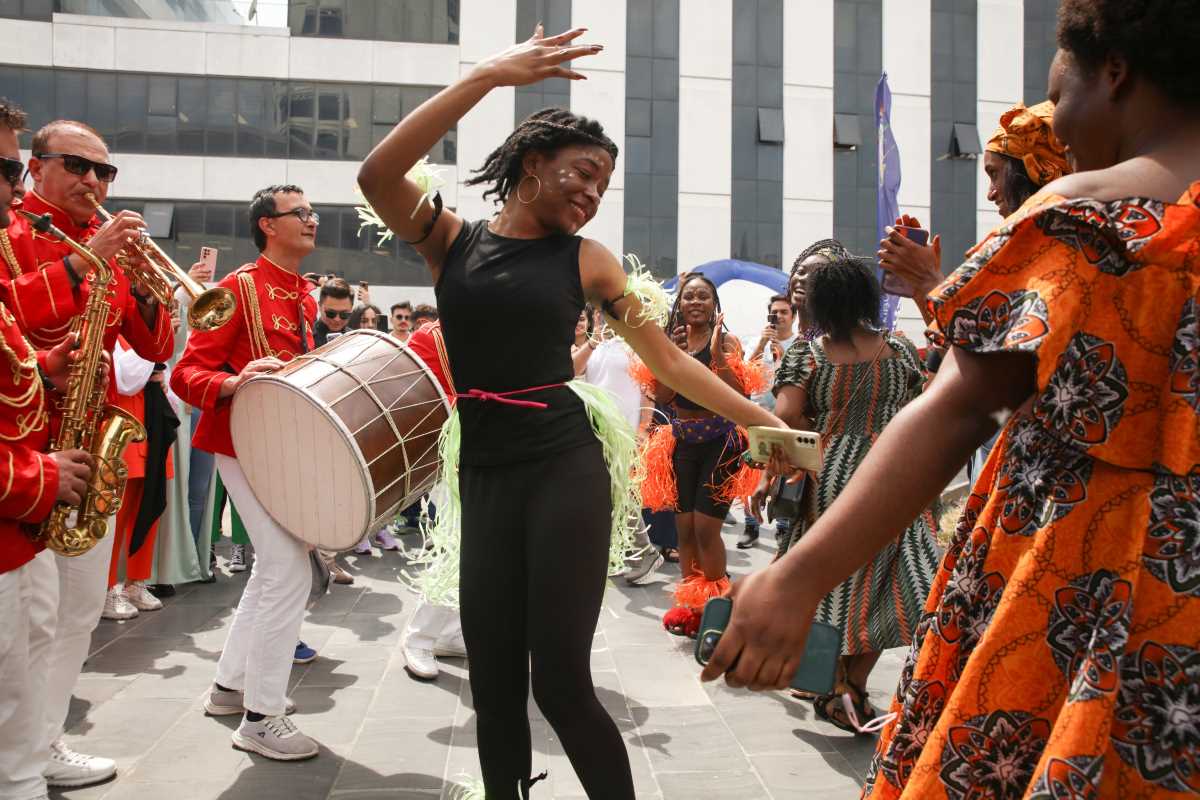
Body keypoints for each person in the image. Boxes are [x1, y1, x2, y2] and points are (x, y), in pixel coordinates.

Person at [703, 2, 1200, 797]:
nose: (1058, 126)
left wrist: (793, 580)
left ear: (1116, 71)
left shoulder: (1085, 214)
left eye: (1058, 93)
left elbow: (955, 410)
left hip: (1072, 580)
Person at [357, 25, 785, 798]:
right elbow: (376, 173)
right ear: (531, 164)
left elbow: (669, 359)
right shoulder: (450, 241)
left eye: (601, 187)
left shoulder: (586, 260)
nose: (591, 196)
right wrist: (487, 75)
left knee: (559, 682)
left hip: (563, 468)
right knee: (492, 683)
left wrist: (761, 419)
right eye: (581, 175)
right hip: (483, 472)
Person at [5, 119, 174, 789]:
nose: (95, 182)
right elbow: (9, 315)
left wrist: (137, 280)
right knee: (24, 625)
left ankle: (43, 744)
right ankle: (18, 758)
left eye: (105, 172)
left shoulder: (102, 241)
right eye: (78, 166)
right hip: (22, 448)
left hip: (87, 447)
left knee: (74, 614)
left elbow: (156, 347)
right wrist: (79, 262)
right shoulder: (12, 233)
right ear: (35, 168)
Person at [755, 254, 939, 733]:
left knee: (834, 582)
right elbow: (925, 404)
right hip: (899, 470)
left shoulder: (807, 354)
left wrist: (774, 465)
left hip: (833, 477)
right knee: (899, 580)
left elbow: (786, 417)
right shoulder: (898, 349)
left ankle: (834, 685)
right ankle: (851, 685)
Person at [170, 184, 319, 761]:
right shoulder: (237, 288)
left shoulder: (304, 294)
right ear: (267, 225)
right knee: (287, 570)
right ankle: (262, 717)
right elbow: (186, 375)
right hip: (239, 442)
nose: (310, 220)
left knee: (274, 572)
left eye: (309, 211)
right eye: (298, 213)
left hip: (282, 444)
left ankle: (230, 689)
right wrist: (237, 381)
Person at [0, 98, 96, 800]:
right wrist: (36, 474)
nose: (13, 187)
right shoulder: (26, 235)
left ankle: (31, 762)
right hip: (24, 481)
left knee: (37, 639)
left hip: (35, 487)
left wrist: (43, 369)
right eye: (6, 169)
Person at [634, 273, 765, 637]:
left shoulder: (726, 341)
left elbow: (741, 395)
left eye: (703, 297)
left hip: (721, 443)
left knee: (707, 530)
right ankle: (692, 606)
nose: (695, 302)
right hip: (683, 442)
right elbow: (662, 397)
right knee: (684, 530)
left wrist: (720, 359)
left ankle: (717, 610)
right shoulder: (669, 342)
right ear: (680, 305)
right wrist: (670, 356)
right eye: (689, 296)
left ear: (713, 305)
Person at [877, 100, 1071, 326]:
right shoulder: (1025, 250)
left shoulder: (1059, 254)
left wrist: (927, 279)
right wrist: (922, 289)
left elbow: (979, 352)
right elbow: (950, 352)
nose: (990, 194)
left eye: (994, 174)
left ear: (1034, 171)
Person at [101, 340, 176, 620]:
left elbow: (156, 376)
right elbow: (125, 380)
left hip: (151, 420)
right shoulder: (117, 332)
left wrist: (159, 369)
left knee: (151, 504)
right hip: (125, 422)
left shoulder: (149, 332)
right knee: (117, 513)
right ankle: (107, 588)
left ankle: (136, 582)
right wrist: (154, 352)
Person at [739, 293, 798, 549]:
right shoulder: (758, 340)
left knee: (784, 471)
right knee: (751, 472)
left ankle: (783, 525)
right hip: (757, 416)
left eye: (784, 312)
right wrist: (762, 342)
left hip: (786, 419)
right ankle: (751, 525)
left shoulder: (800, 345)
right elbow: (744, 371)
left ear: (793, 316)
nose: (779, 317)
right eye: (775, 312)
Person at [311, 277, 353, 347]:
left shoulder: (356, 339)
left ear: (351, 309)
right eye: (331, 313)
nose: (337, 319)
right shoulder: (306, 338)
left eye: (344, 314)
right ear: (319, 306)